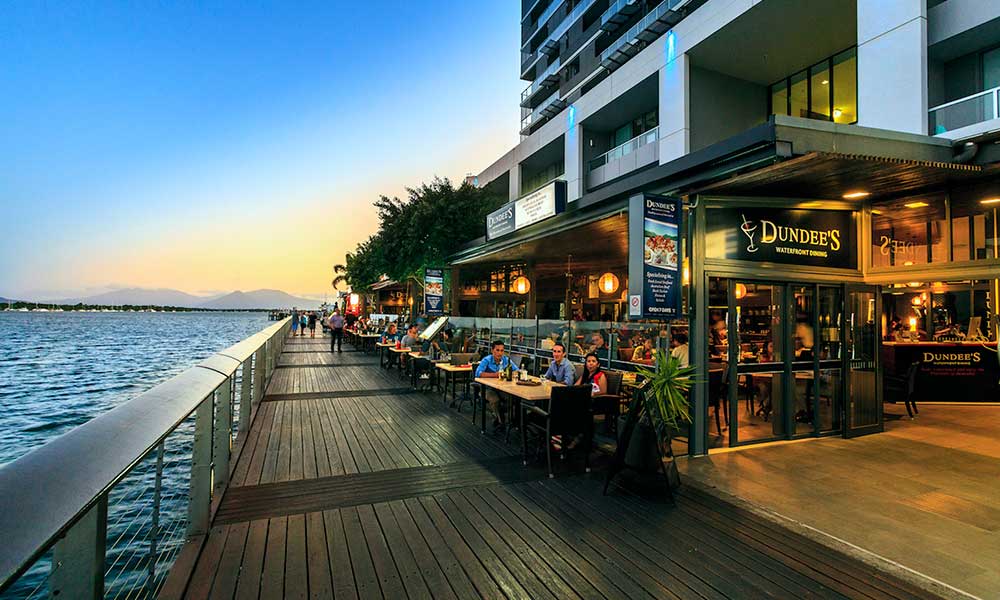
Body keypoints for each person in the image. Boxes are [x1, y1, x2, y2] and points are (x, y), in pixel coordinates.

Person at [475, 340, 519, 431]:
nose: (500, 353)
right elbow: (478, 373)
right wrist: (495, 375)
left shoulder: (506, 360)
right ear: (492, 350)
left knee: (512, 398)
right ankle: (501, 422)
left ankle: (505, 417)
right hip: (487, 388)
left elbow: (517, 370)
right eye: (497, 350)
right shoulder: (486, 360)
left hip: (501, 388)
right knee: (495, 400)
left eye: (502, 350)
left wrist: (511, 373)